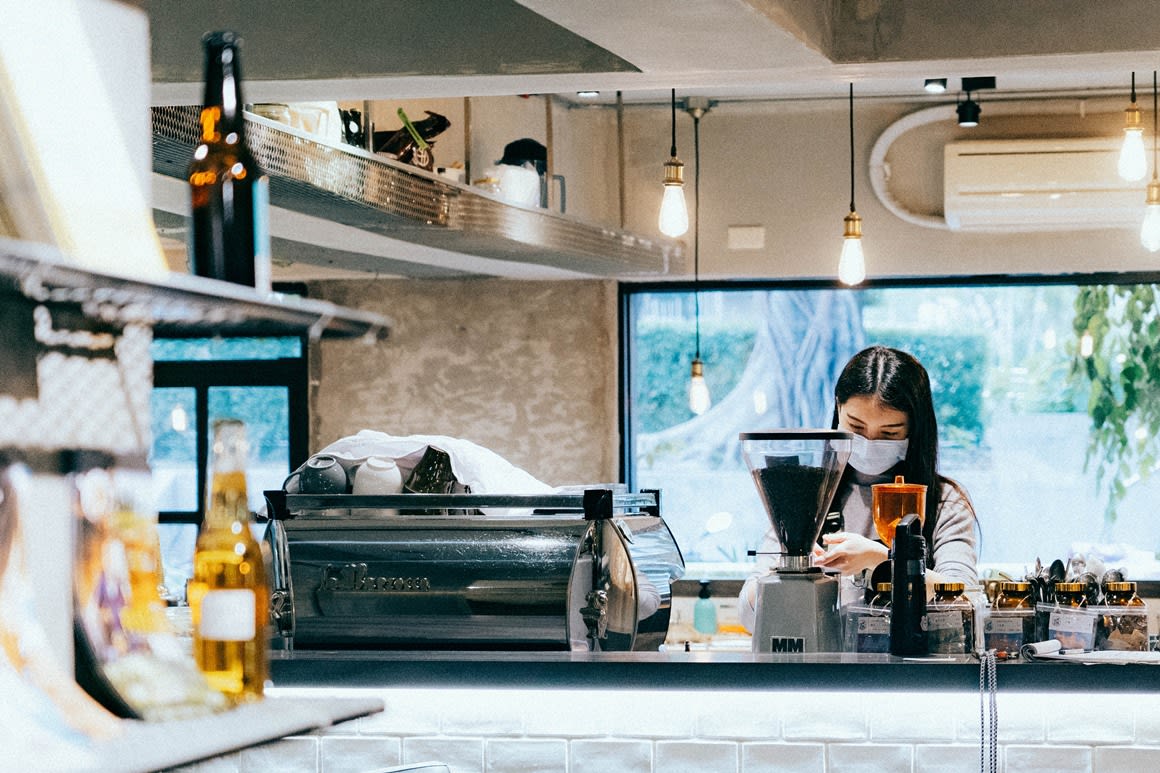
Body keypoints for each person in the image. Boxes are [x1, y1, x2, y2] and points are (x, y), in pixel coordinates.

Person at [739, 345, 979, 631]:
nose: (870, 442)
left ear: (914, 429)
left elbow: (967, 605)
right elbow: (749, 615)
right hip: (823, 659)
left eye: (889, 433)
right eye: (856, 427)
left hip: (915, 659)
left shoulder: (944, 502)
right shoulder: (809, 491)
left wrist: (882, 561)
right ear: (838, 408)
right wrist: (792, 567)